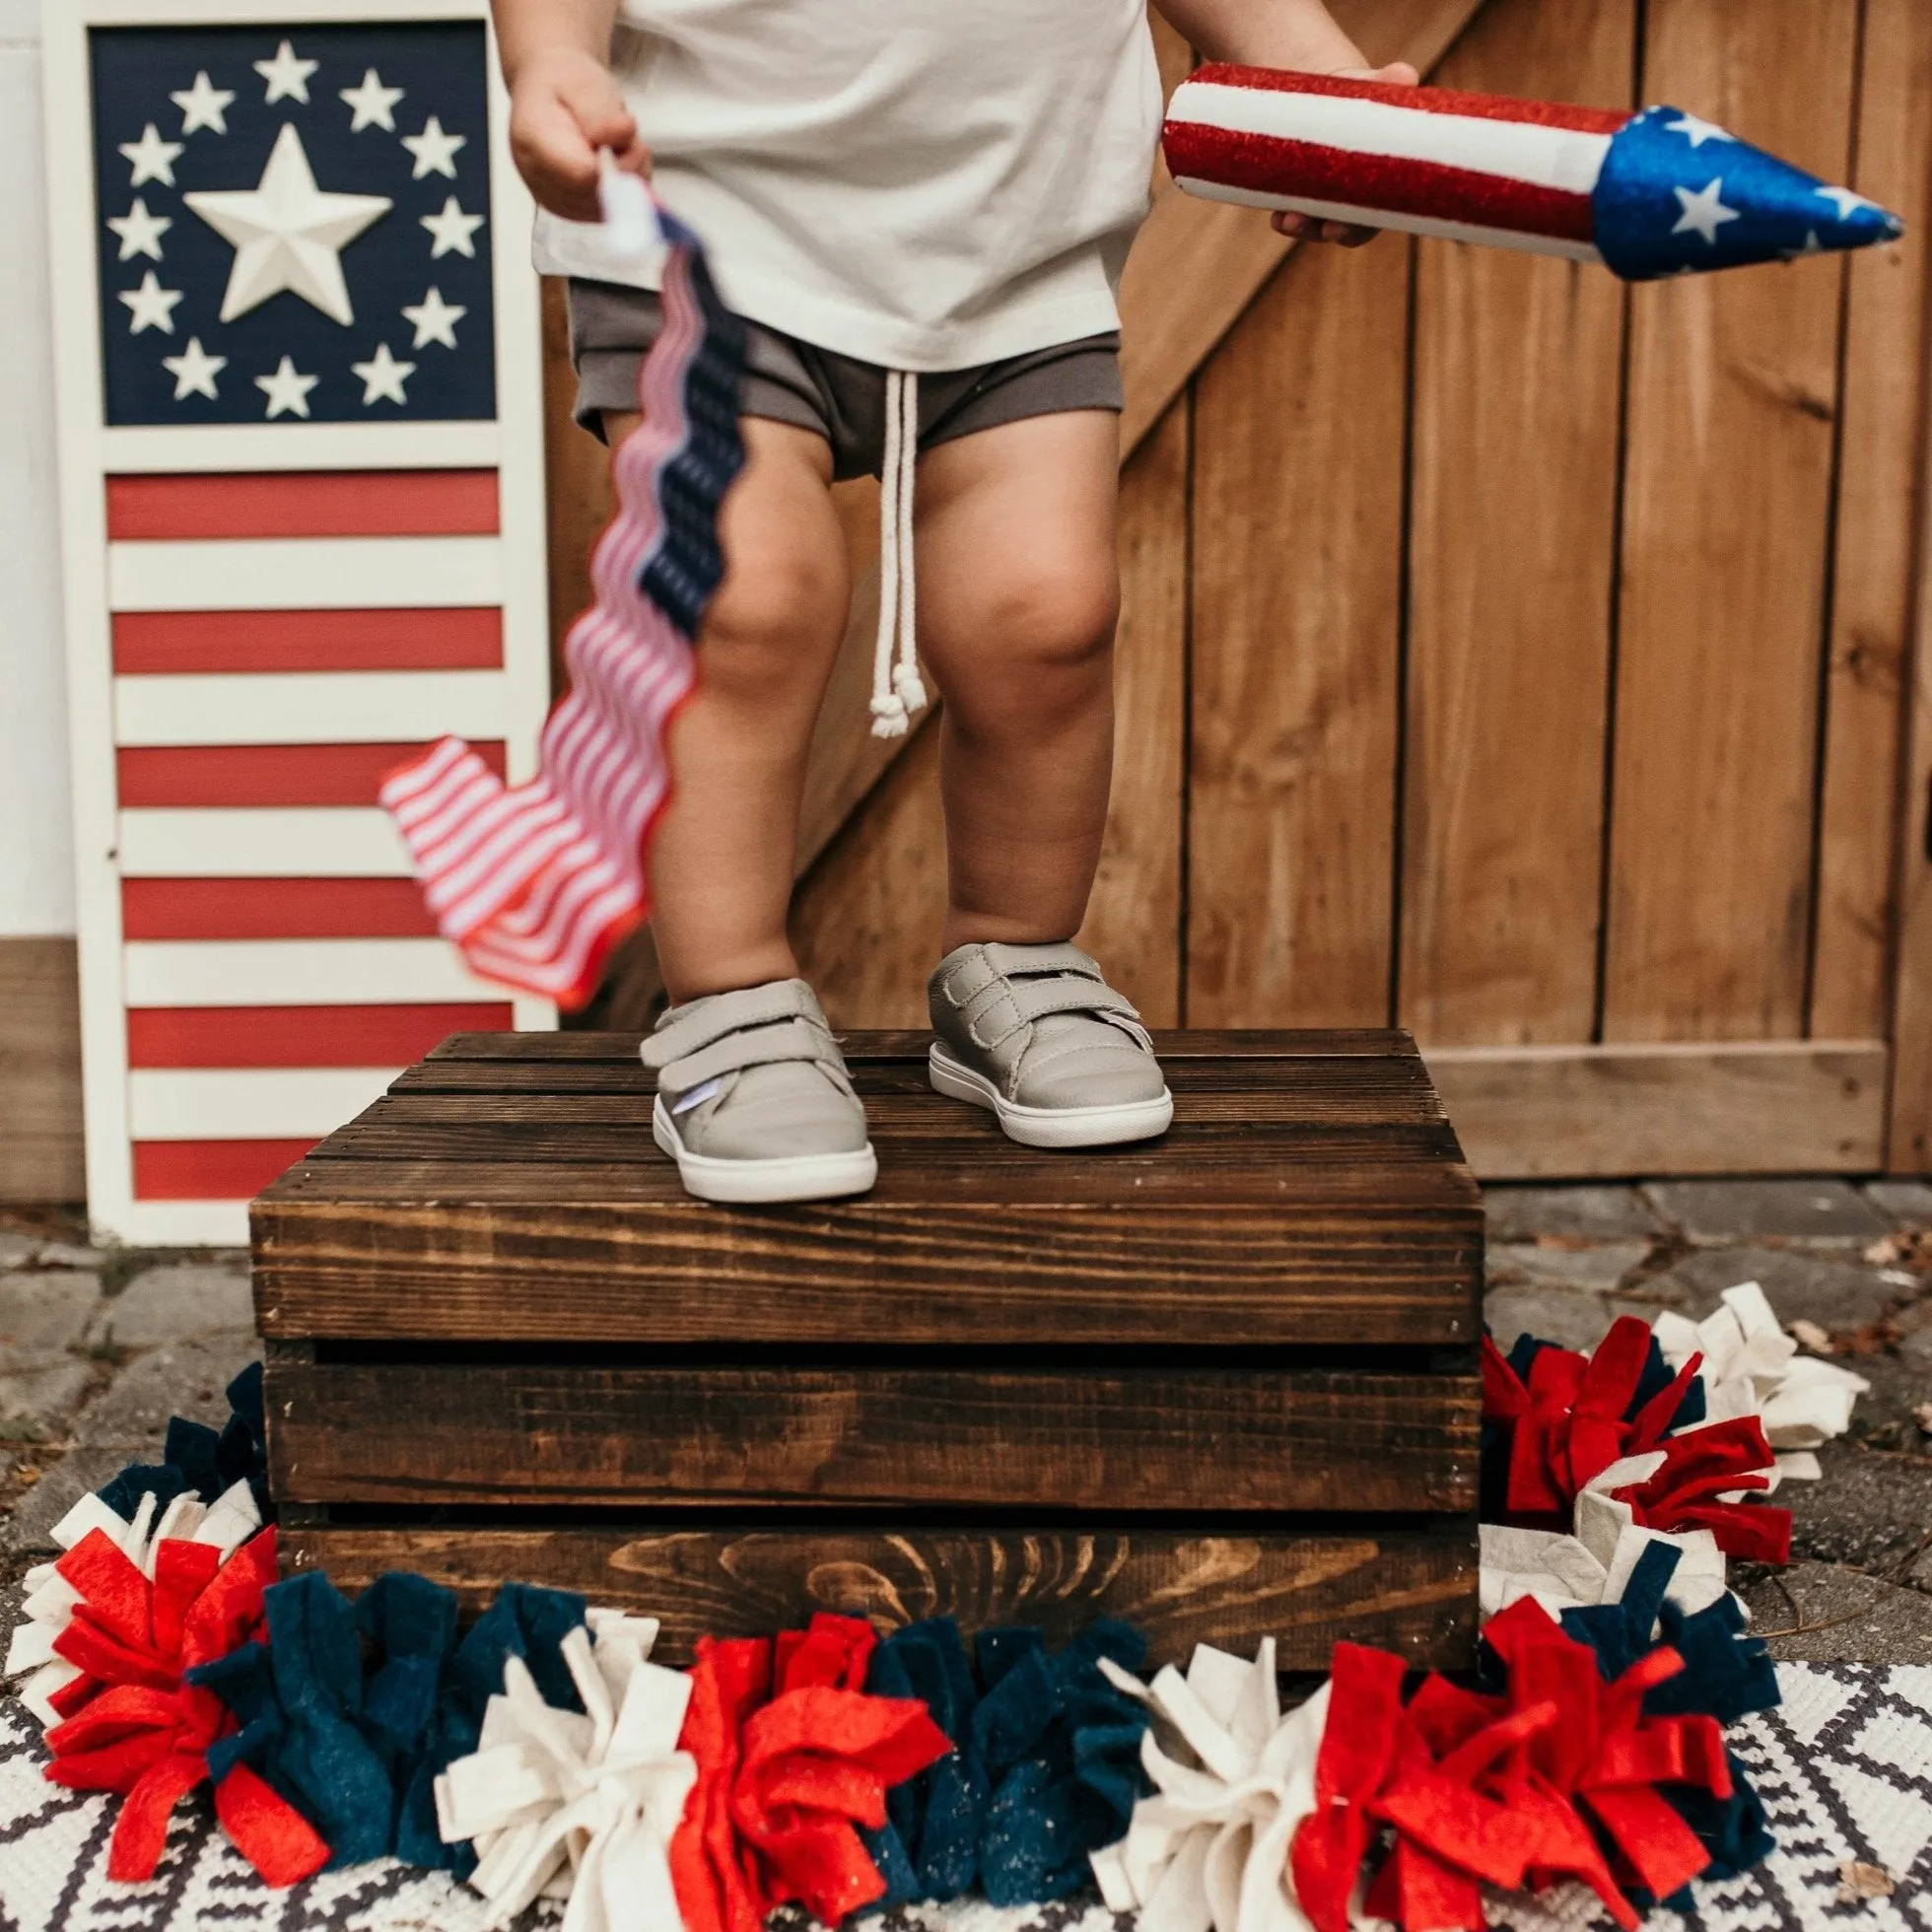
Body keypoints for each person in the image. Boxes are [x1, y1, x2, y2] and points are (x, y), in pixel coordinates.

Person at [493, 0, 1414, 1203]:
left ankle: (1014, 961)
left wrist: (1312, 72)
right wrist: (551, 59)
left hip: (1010, 244)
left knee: (1046, 613)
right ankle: (727, 1006)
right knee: (742, 593)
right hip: (701, 219)